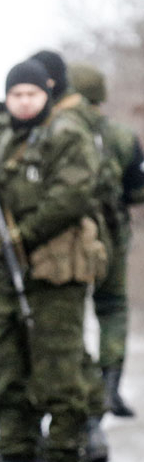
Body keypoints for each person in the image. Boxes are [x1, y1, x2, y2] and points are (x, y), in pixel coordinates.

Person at [0, 59, 101, 462]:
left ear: (47, 95)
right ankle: (15, 461)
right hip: (6, 270)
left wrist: (23, 234)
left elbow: (72, 195)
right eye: (16, 94)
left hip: (56, 272)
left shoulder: (67, 133)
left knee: (59, 371)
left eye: (31, 95)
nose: (23, 102)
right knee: (4, 367)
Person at [70, 62, 144, 420]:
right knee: (113, 307)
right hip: (113, 233)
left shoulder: (59, 130)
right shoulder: (121, 136)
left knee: (67, 310)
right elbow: (138, 191)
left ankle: (82, 390)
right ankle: (109, 388)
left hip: (68, 236)